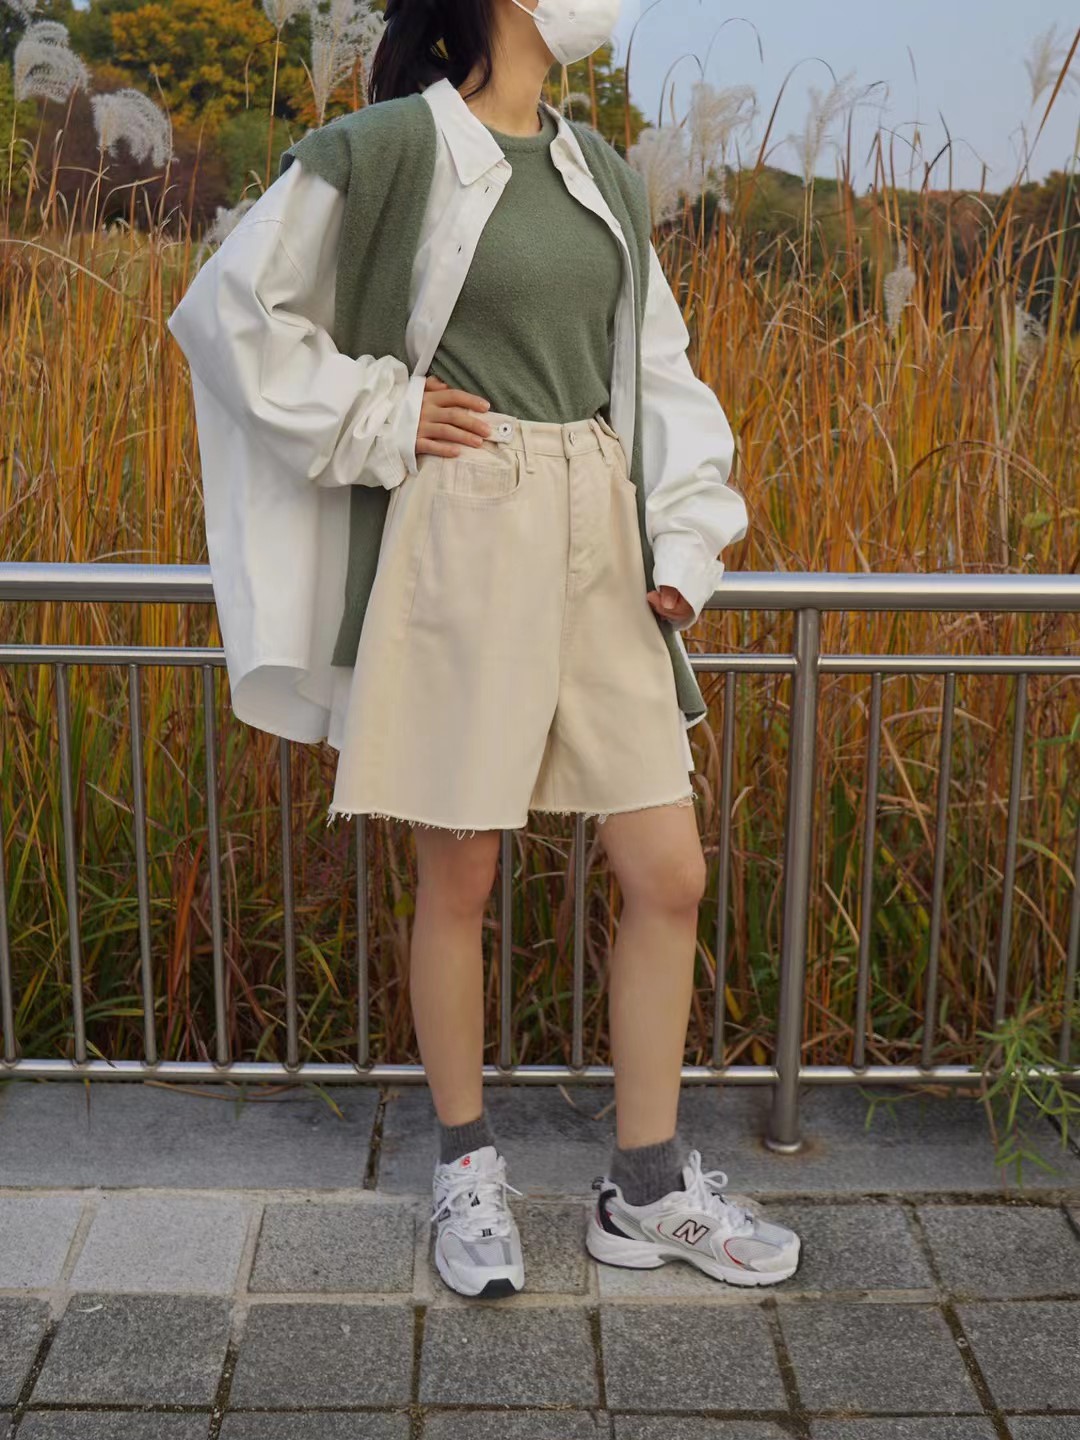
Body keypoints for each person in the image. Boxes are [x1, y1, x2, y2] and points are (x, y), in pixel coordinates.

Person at [167, 0, 801, 1299]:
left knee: (668, 870)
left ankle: (645, 1190)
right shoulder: (392, 147)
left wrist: (686, 538)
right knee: (459, 874)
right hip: (468, 518)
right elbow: (230, 308)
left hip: (601, 525)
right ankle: (465, 1170)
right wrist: (383, 412)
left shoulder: (600, 169)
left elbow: (660, 371)